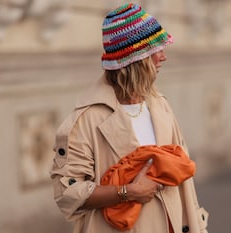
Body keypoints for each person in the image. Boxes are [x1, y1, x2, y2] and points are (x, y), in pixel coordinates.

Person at [50, 3, 209, 233]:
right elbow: (67, 192)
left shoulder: (160, 106)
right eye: (156, 49)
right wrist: (128, 192)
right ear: (135, 59)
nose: (163, 57)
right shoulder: (86, 119)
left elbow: (186, 184)